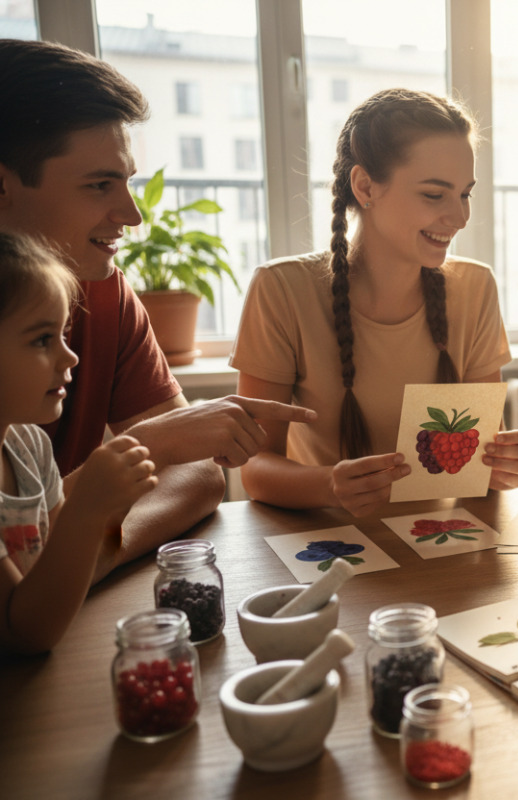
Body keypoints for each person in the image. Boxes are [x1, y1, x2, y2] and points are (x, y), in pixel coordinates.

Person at [0, 38, 316, 582]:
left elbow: (197, 474)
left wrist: (85, 558)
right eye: (100, 185)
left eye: (127, 182)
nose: (132, 215)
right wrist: (151, 445)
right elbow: (167, 448)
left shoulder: (105, 293)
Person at [230, 88, 518, 517]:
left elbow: (484, 461)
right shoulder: (281, 289)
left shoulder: (476, 287)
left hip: (437, 539)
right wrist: (329, 485)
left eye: (464, 194)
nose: (460, 217)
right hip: (331, 543)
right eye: (434, 194)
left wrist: (504, 466)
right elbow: (256, 469)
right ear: (365, 185)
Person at [0, 232, 158, 653]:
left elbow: (61, 571)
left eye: (63, 334)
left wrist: (109, 505)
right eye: (41, 339)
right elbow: (25, 632)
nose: (70, 358)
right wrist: (88, 507)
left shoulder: (29, 448)